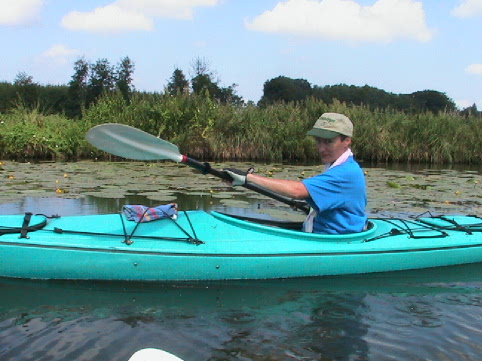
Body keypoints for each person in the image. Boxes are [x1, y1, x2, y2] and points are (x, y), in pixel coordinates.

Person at [225, 112, 367, 234]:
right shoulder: (338, 165)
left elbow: (297, 191)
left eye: (329, 142)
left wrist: (248, 178)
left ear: (346, 141)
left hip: (334, 239)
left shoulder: (346, 172)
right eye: (318, 141)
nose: (321, 148)